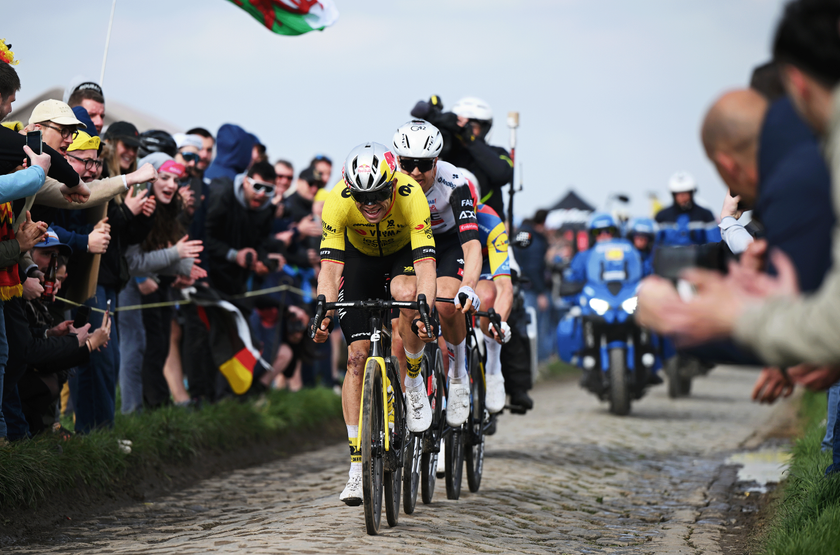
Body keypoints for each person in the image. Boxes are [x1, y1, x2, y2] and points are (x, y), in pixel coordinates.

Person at [312, 142, 437, 506]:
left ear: (392, 185)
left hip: (402, 257)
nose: (370, 204)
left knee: (406, 293)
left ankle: (412, 378)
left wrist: (424, 309)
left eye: (378, 195)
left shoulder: (412, 195)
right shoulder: (337, 201)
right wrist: (324, 312)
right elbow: (330, 269)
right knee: (356, 357)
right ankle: (356, 467)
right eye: (361, 197)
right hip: (360, 260)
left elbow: (426, 265)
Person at [391, 119, 484, 425]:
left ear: (437, 161)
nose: (416, 172)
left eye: (424, 164)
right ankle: (411, 388)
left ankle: (458, 375)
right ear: (397, 161)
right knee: (404, 299)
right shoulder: (389, 180)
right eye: (408, 164)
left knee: (446, 301)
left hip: (447, 243)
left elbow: (472, 245)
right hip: (409, 244)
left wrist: (468, 286)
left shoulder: (454, 182)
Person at [411, 96, 513, 218]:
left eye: (472, 126)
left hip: (486, 221)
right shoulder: (446, 151)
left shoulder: (496, 152)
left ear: (485, 128)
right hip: (446, 220)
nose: (464, 129)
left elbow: (503, 174)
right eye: (459, 125)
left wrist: (470, 140)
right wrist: (434, 119)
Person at [474, 202, 513, 413]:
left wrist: (500, 323)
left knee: (488, 296)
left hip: (488, 261)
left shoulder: (490, 221)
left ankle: (493, 367)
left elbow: (504, 286)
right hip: (455, 259)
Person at [515, 209, 551, 363]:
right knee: (536, 328)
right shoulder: (534, 239)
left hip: (522, 287)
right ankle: (538, 361)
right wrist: (541, 292)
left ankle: (530, 361)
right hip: (532, 290)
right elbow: (533, 267)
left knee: (526, 327)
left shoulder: (522, 234)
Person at [655, 171, 721, 246]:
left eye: (685, 193)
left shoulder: (705, 215)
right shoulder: (662, 216)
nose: (682, 197)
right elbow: (654, 245)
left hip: (699, 254)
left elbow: (715, 243)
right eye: (678, 194)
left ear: (692, 193)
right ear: (673, 195)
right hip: (669, 254)